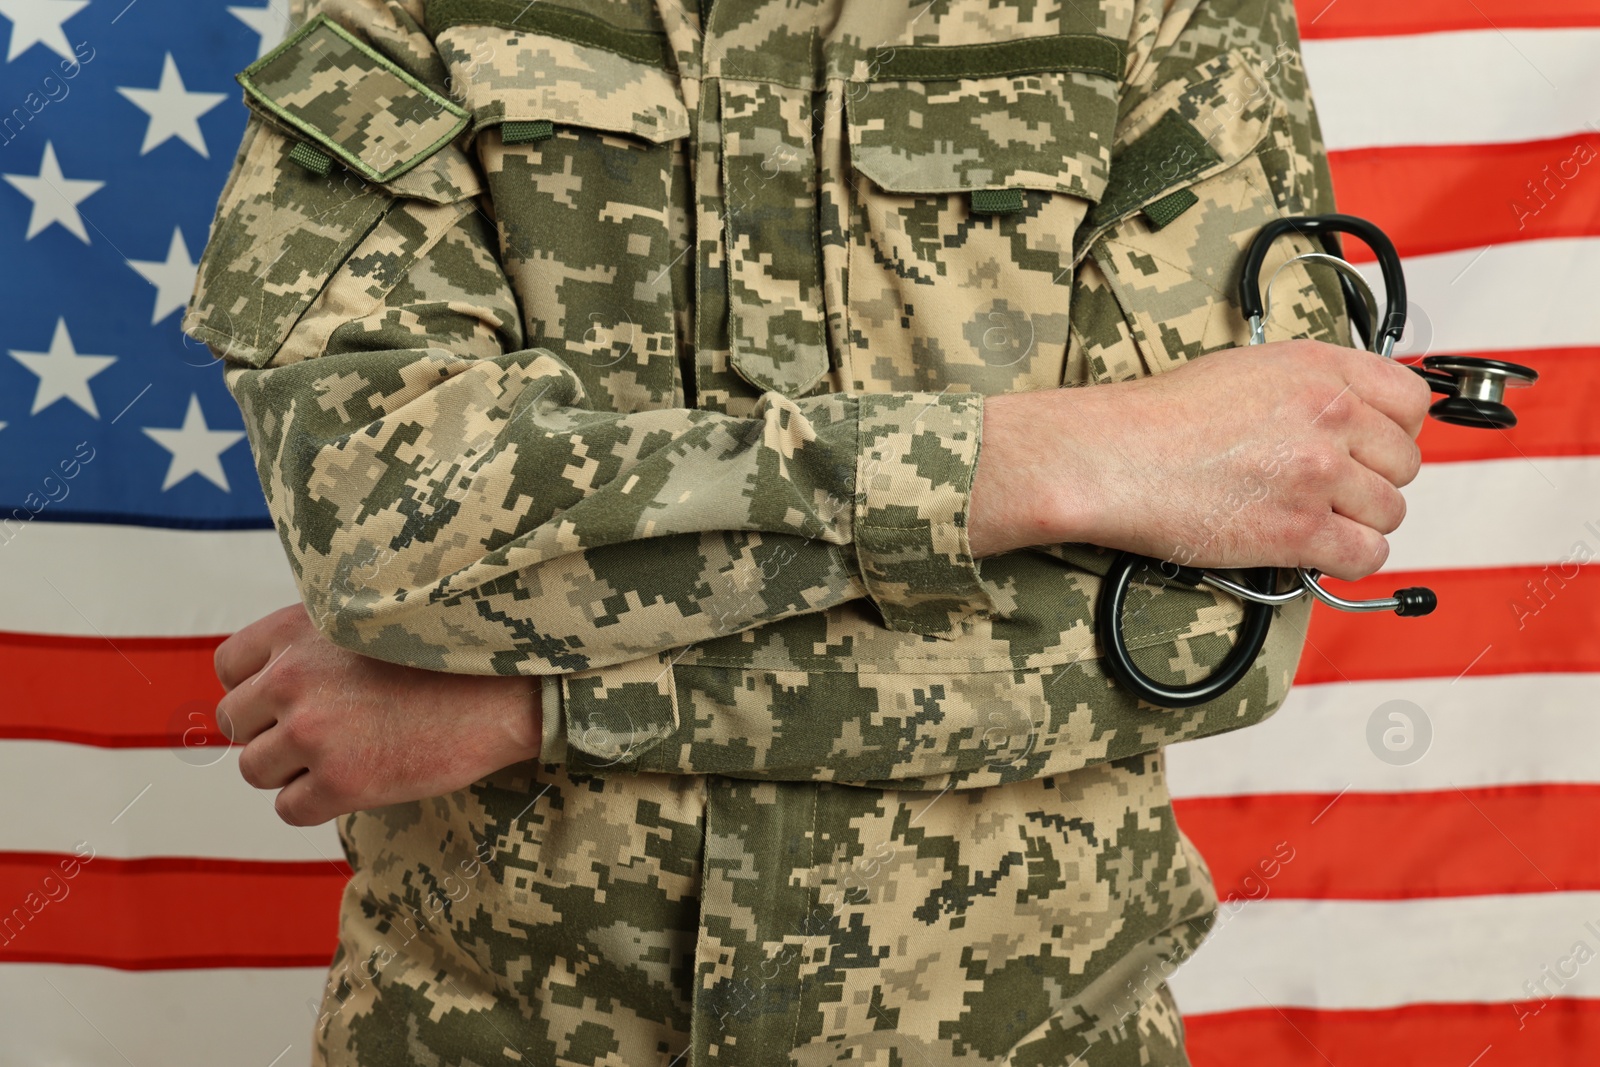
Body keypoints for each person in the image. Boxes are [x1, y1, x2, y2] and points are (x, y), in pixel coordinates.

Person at [193, 0, 1432, 1063]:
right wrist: (1037, 461)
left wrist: (536, 706)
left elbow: (1191, 626)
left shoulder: (1149, 13)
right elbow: (392, 527)